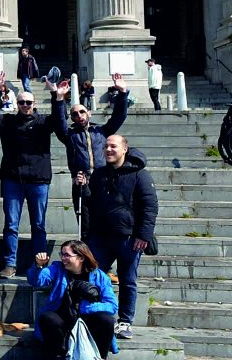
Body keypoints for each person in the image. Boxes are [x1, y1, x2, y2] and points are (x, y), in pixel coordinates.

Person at [0, 70, 63, 279]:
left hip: (38, 180)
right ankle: (10, 264)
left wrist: (56, 95)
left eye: (28, 102)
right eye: (22, 102)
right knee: (11, 224)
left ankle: (40, 263)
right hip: (13, 180)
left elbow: (59, 119)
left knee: (39, 224)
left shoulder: (44, 122)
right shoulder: (8, 122)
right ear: (16, 104)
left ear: (34, 103)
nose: (25, 105)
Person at [81, 135, 158, 340]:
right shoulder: (99, 174)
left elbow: (150, 207)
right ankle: (95, 315)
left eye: (113, 146)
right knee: (93, 277)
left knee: (127, 281)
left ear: (124, 149)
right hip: (100, 237)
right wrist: (82, 188)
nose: (108, 150)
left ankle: (125, 321)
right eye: (106, 146)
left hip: (129, 238)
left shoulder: (140, 175)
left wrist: (143, 235)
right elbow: (90, 204)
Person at [52, 73, 129, 238]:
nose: (79, 115)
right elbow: (58, 123)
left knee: (106, 223)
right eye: (74, 114)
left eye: (82, 112)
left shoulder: (101, 131)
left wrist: (123, 93)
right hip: (82, 182)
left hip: (104, 181)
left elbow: (118, 117)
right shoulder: (69, 135)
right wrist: (59, 99)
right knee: (85, 227)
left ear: (89, 113)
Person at [29, 240, 119, 359]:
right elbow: (36, 281)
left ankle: (101, 357)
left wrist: (88, 308)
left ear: (81, 257)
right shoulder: (57, 268)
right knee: (48, 318)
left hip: (88, 321)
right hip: (63, 319)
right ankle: (58, 355)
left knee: (106, 320)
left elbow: (112, 306)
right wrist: (38, 266)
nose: (63, 258)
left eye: (67, 255)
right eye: (62, 254)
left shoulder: (99, 276)